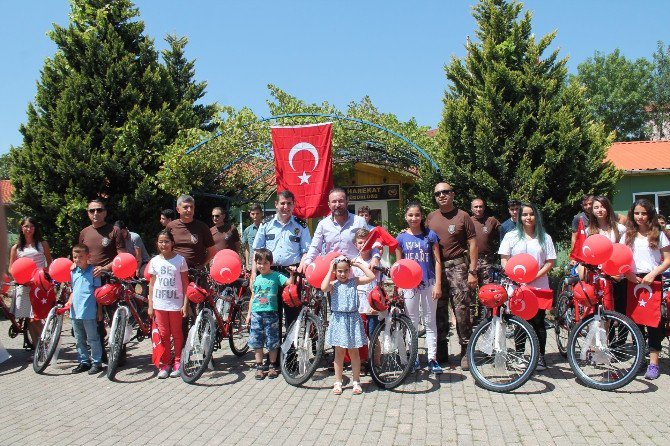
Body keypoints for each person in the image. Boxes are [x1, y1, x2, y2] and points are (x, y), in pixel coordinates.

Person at [499, 202, 556, 371]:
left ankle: (539, 357)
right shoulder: (511, 236)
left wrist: (533, 276)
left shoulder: (545, 237)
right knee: (520, 322)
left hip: (538, 285)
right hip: (517, 286)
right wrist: (513, 275)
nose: (528, 218)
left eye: (531, 214)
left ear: (536, 216)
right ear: (519, 217)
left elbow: (550, 261)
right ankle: (519, 356)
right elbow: (504, 258)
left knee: (538, 322)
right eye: (524, 215)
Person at [426, 182, 477, 370]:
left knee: (462, 310)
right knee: (438, 309)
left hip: (459, 268)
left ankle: (465, 350)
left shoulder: (463, 216)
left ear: (453, 194)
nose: (442, 195)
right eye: (438, 193)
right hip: (437, 270)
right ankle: (441, 350)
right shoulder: (431, 217)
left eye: (445, 192)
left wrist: (473, 271)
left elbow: (473, 244)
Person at [621, 199, 670, 380]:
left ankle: (654, 364)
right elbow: (621, 259)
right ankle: (640, 359)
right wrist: (629, 275)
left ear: (650, 215)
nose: (640, 217)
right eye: (636, 213)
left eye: (643, 213)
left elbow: (667, 259)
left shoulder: (658, 234)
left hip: (652, 280)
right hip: (634, 280)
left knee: (653, 323)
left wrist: (653, 274)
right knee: (636, 322)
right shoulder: (627, 235)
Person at [252, 190, 311, 338]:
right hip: (269, 274)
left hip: (291, 274)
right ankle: (275, 356)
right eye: (282, 203)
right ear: (276, 205)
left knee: (292, 315)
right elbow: (257, 251)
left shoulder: (301, 226)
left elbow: (306, 252)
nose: (286, 206)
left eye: (289, 203)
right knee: (271, 314)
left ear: (293, 205)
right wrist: (253, 273)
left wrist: (301, 267)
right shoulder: (266, 224)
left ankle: (290, 356)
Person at [395, 202, 442, 374]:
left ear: (422, 216)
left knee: (430, 321)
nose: (414, 218)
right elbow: (398, 264)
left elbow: (437, 261)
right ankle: (413, 358)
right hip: (409, 285)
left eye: (417, 215)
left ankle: (432, 359)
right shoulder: (400, 238)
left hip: (429, 283)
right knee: (411, 322)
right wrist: (399, 285)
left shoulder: (430, 235)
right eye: (410, 215)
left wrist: (438, 283)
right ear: (406, 217)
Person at [79, 199, 126, 362]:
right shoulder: (84, 232)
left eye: (99, 210)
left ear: (105, 212)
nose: (95, 213)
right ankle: (101, 355)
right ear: (88, 213)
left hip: (109, 280)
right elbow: (80, 256)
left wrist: (105, 268)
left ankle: (119, 355)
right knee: (94, 320)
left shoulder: (114, 231)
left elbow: (122, 257)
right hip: (89, 281)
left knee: (115, 318)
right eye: (92, 211)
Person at [321, 256, 375, 395]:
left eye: (345, 271)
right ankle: (338, 381)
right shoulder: (333, 284)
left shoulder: (354, 281)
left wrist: (357, 265)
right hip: (339, 320)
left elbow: (371, 276)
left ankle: (356, 381)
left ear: (349, 270)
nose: (342, 274)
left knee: (354, 352)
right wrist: (329, 270)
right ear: (335, 271)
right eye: (339, 271)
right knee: (339, 352)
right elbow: (323, 287)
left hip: (353, 318)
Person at [245, 248, 293, 380]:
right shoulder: (256, 279)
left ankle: (272, 366)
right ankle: (259, 366)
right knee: (257, 342)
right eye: (259, 263)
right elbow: (253, 297)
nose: (262, 265)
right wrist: (249, 314)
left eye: (265, 263)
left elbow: (289, 283)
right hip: (256, 314)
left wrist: (292, 274)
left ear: (270, 263)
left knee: (272, 341)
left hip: (271, 313)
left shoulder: (276, 275)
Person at [147, 230, 189, 379]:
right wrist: (150, 305)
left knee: (177, 333)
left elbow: (185, 284)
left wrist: (185, 304)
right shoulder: (154, 261)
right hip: (159, 304)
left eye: (166, 241)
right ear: (157, 244)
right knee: (164, 334)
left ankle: (177, 361)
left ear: (172, 243)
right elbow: (151, 285)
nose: (163, 244)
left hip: (175, 304)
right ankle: (166, 363)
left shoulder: (180, 260)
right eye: (160, 242)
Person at [8, 217, 53, 348]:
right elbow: (11, 268)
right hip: (23, 285)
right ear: (22, 228)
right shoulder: (16, 248)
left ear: (35, 228)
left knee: (36, 317)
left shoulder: (42, 244)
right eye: (26, 226)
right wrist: (20, 278)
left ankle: (48, 343)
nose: (29, 229)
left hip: (39, 285)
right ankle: (37, 347)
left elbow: (50, 264)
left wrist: (44, 276)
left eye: (31, 226)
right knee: (29, 318)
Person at [302, 188, 367, 266]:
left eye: (340, 201)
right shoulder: (323, 224)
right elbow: (315, 247)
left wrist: (375, 258)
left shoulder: (359, 222)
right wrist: (306, 263)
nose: (337, 205)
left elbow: (370, 244)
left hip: (356, 270)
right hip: (333, 271)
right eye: (334, 202)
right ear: (329, 205)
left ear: (347, 202)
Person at [67, 243, 103, 374]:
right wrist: (69, 302)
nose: (77, 260)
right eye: (75, 257)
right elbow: (73, 290)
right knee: (79, 338)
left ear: (88, 256)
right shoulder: (73, 272)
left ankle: (97, 362)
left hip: (88, 310)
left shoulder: (93, 272)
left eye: (80, 257)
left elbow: (98, 292)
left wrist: (99, 310)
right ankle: (84, 361)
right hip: (75, 310)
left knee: (93, 338)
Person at [351, 228, 380, 373]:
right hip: (358, 304)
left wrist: (378, 304)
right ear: (355, 244)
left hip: (372, 303)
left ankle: (376, 362)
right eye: (360, 242)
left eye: (366, 242)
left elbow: (380, 283)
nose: (363, 245)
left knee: (373, 334)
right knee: (360, 335)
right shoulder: (354, 262)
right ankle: (361, 362)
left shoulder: (376, 261)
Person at [167, 195, 217, 270]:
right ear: (178, 209)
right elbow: (165, 246)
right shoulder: (171, 226)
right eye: (185, 207)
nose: (189, 210)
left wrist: (202, 265)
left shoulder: (202, 227)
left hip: (195, 274)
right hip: (175, 271)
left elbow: (212, 251)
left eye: (191, 207)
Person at [471, 198, 500, 286]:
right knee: (470, 289)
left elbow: (504, 232)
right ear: (471, 209)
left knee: (487, 288)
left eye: (480, 206)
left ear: (484, 208)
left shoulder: (491, 220)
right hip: (471, 260)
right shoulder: (467, 221)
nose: (478, 209)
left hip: (487, 260)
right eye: (476, 207)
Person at [241, 204, 263, 270]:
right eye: (253, 214)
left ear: (261, 214)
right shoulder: (247, 230)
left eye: (257, 213)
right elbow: (247, 249)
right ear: (250, 214)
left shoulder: (267, 228)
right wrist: (247, 264)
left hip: (265, 264)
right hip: (252, 264)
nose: (255, 216)